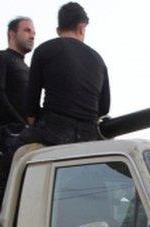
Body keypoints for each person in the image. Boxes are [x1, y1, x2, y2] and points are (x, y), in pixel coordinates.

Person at [21, 3, 110, 146]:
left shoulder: (44, 50)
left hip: (53, 130)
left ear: (58, 30)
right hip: (89, 134)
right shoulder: (99, 60)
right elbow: (104, 108)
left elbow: (31, 104)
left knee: (11, 152)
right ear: (81, 27)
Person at [0, 16, 34, 200]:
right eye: (27, 30)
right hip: (9, 131)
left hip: (27, 134)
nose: (32, 36)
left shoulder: (27, 68)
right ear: (12, 34)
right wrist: (20, 127)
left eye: (33, 32)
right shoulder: (0, 58)